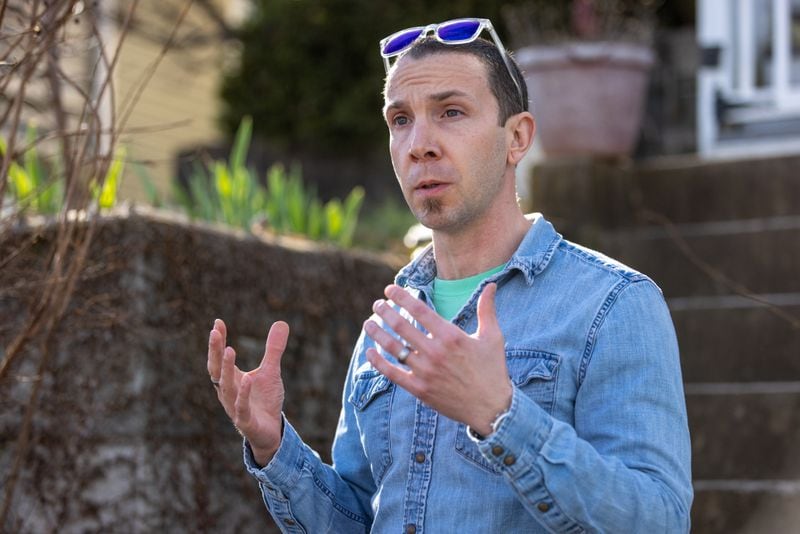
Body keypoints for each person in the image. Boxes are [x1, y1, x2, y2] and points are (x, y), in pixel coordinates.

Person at [207, 17, 692, 533]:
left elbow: (659, 521)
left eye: (451, 112)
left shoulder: (614, 304)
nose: (420, 144)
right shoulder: (391, 320)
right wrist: (273, 447)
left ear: (518, 138)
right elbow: (359, 520)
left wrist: (500, 413)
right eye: (400, 120)